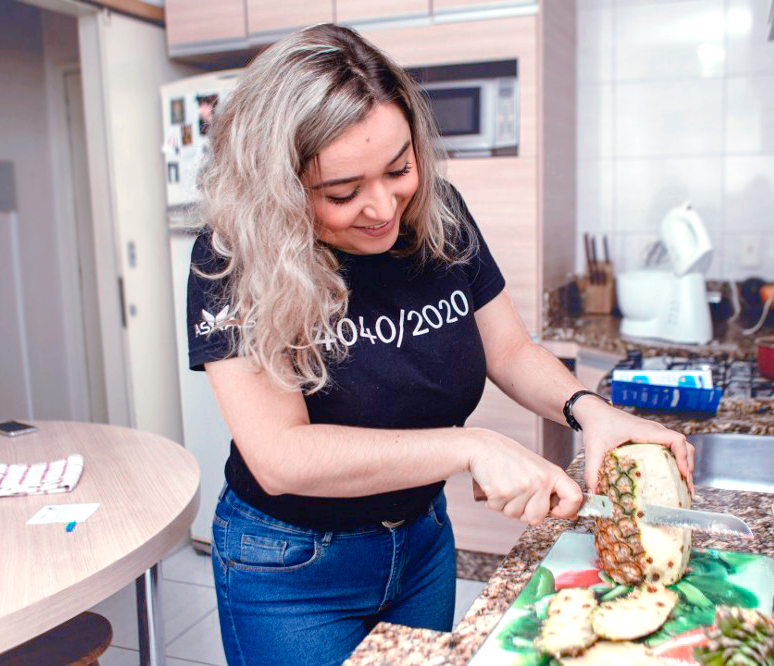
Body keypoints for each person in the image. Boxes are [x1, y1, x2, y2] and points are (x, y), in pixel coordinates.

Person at [186, 23, 695, 666]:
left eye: (399, 168)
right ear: (279, 190)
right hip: (293, 567)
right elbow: (280, 455)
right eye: (343, 192)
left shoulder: (439, 212)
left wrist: (589, 409)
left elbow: (508, 351)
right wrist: (470, 445)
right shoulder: (233, 255)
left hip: (423, 542)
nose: (382, 208)